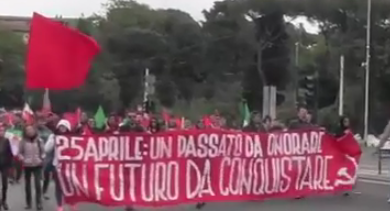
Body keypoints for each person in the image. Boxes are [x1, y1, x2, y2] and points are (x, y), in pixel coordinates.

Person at [45, 119, 77, 211]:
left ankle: (72, 203)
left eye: (64, 127)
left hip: (70, 166)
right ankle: (60, 205)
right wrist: (53, 140)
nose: (62, 128)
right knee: (59, 187)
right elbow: (47, 149)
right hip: (57, 166)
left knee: (71, 186)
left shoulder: (73, 137)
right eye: (61, 126)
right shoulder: (53, 136)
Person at [18, 125, 44, 210]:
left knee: (38, 185)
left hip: (37, 165)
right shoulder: (23, 141)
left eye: (31, 130)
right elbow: (19, 153)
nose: (29, 131)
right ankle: (28, 203)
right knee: (27, 185)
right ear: (25, 132)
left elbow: (43, 152)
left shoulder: (39, 141)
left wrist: (42, 158)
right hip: (27, 165)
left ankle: (39, 203)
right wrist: (22, 158)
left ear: (34, 130)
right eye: (27, 130)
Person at [0, 123, 14, 210]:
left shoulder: (7, 141)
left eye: (2, 131)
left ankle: (4, 201)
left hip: (4, 165)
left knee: (5, 184)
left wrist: (10, 165)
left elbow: (11, 153)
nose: (0, 132)